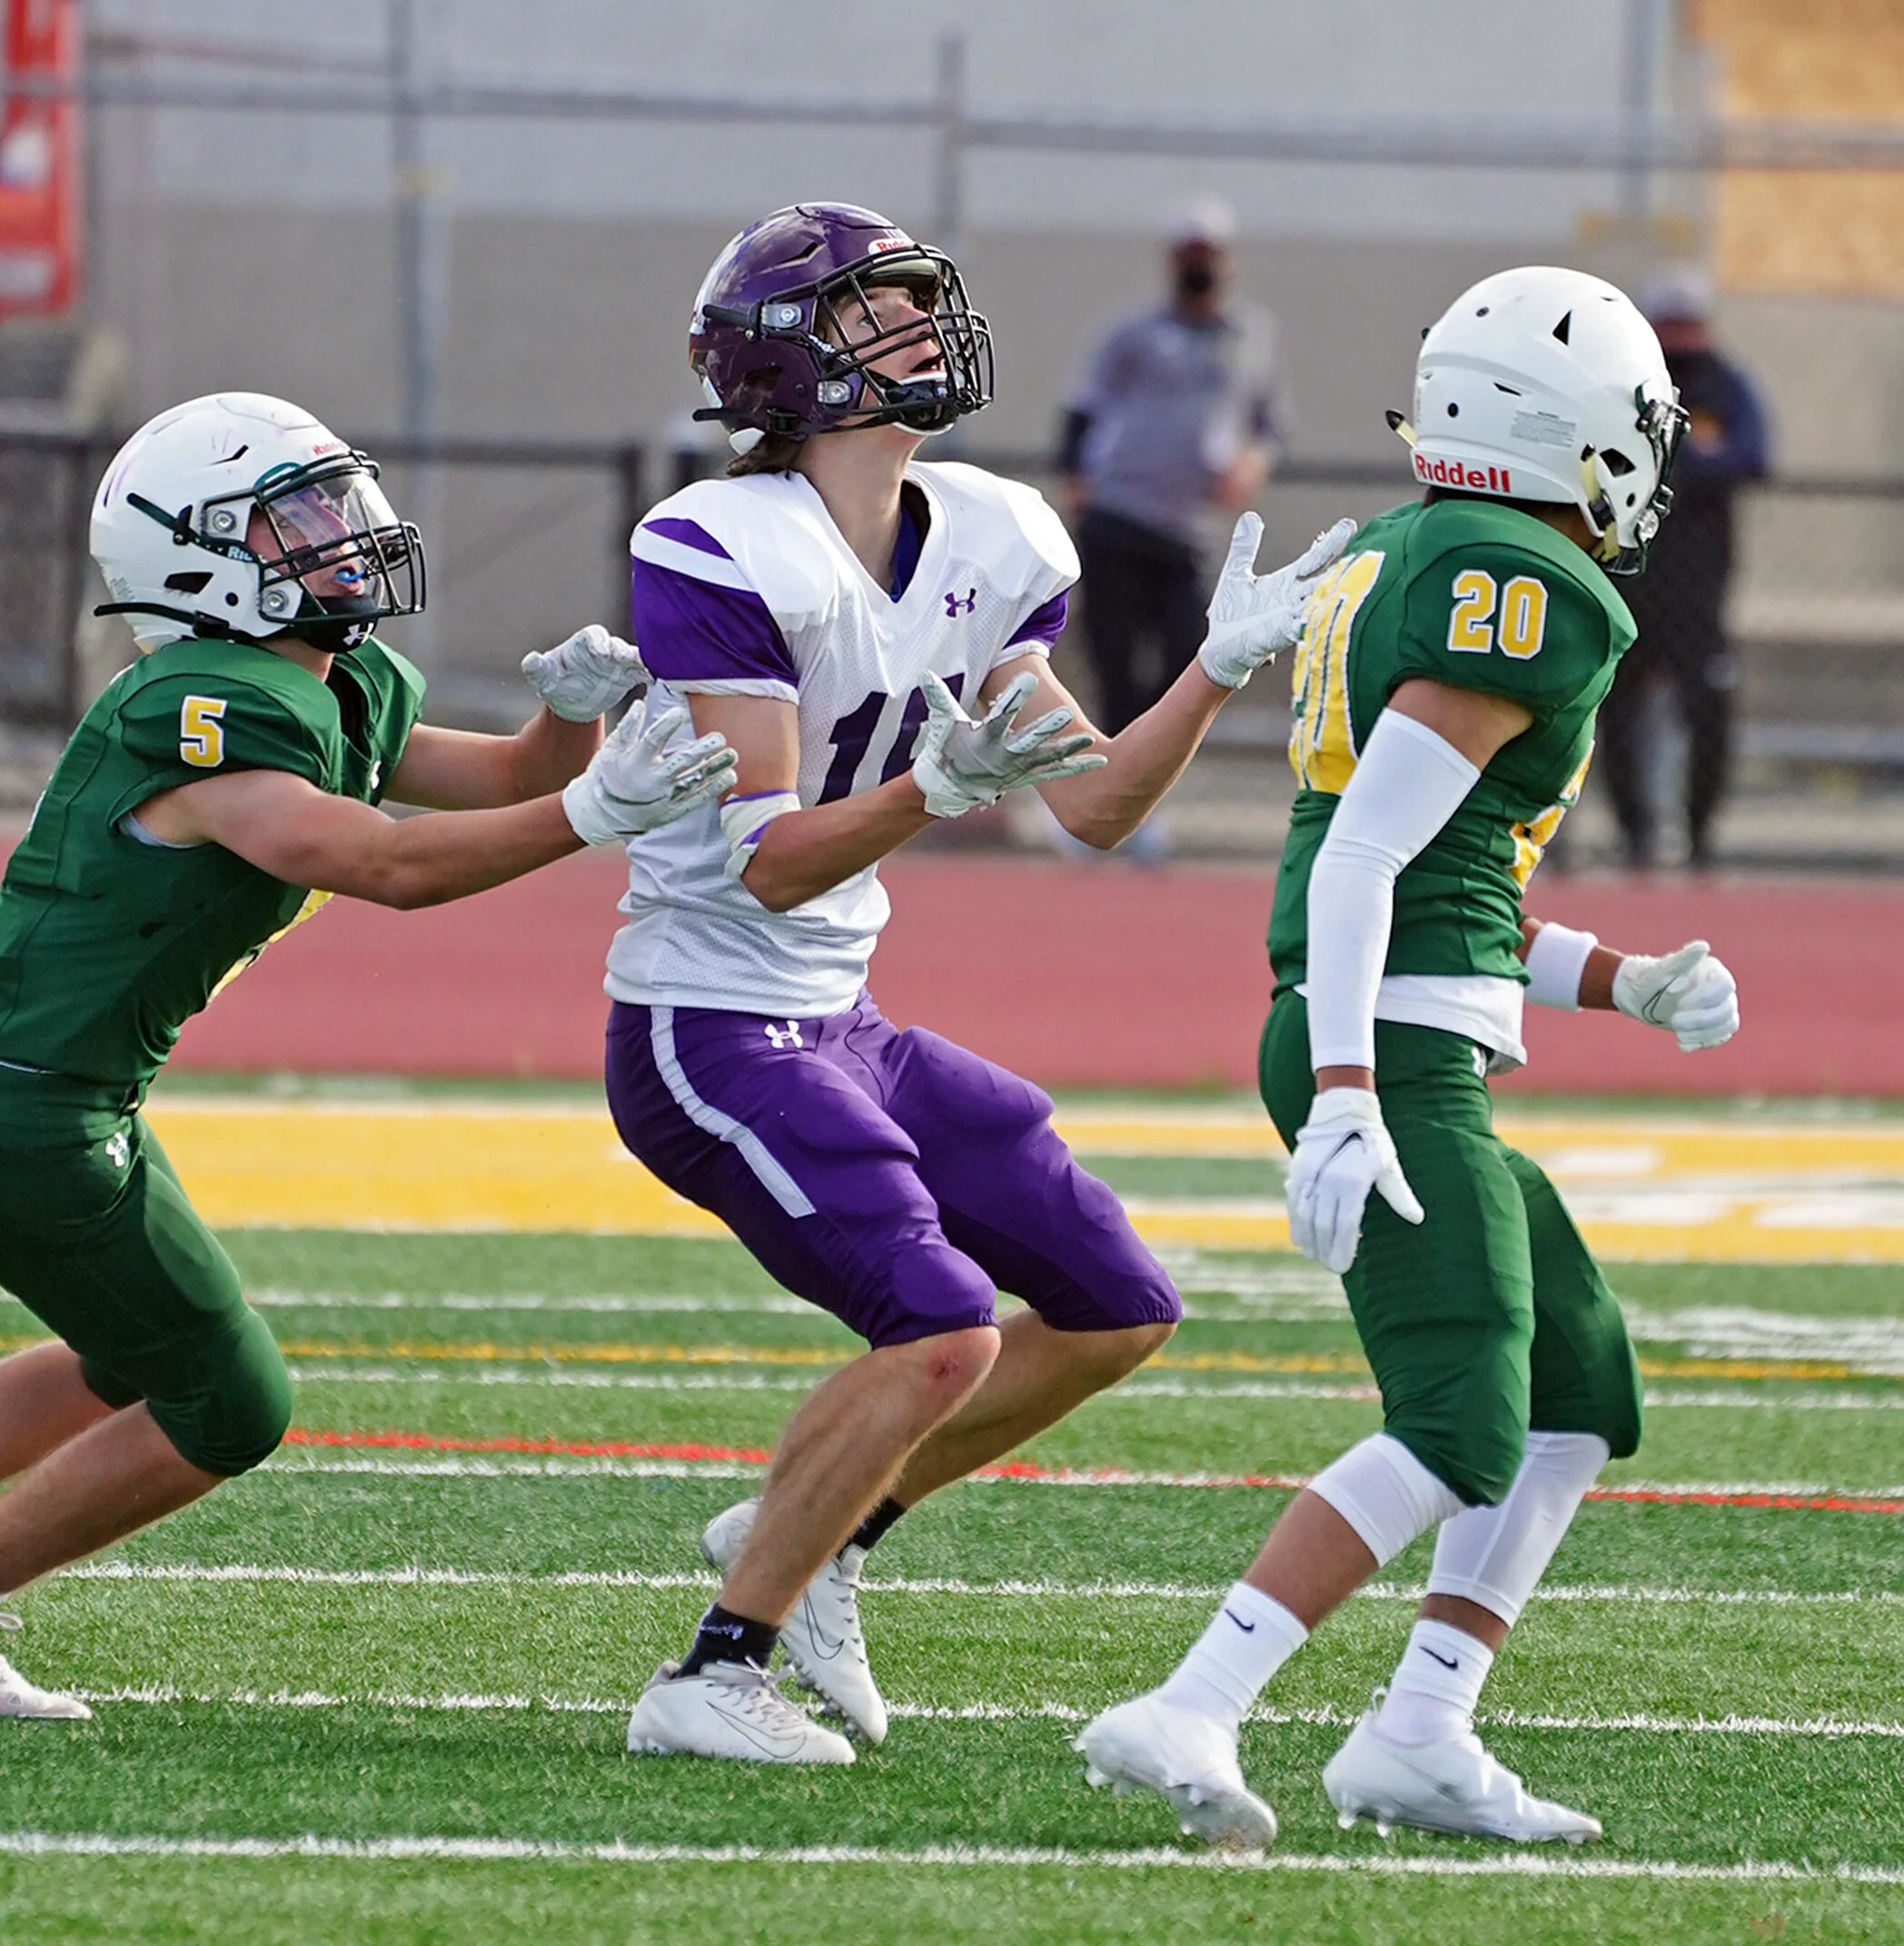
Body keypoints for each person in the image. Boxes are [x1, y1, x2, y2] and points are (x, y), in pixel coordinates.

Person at [605, 200, 1352, 1766]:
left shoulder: (990, 534)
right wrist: (934, 790)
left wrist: (1212, 673)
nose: (918, 328)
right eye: (875, 311)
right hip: (710, 1025)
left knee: (1115, 1303)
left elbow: (1082, 805)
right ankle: (708, 1673)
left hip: (843, 1020)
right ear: (790, 359)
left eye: (914, 302)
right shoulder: (720, 544)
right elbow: (765, 860)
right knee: (940, 1326)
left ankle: (820, 1531)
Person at [0, 391, 733, 1721]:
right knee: (231, 1403)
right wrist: (594, 812)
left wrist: (569, 732)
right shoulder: (201, 707)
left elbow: (501, 777)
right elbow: (377, 861)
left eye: (336, 503)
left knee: (134, 1358)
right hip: (19, 1111)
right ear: (197, 557)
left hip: (41, 1092)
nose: (341, 537)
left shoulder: (332, 679)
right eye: (295, 518)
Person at [1077, 267, 1741, 1849]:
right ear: (1562, 431)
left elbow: (1450, 879)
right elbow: (1365, 860)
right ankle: (1191, 1705)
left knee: (1577, 1385)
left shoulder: (1404, 546)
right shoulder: (1526, 582)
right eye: (1631, 427)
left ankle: (1422, 1728)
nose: (1645, 457)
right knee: (1457, 1422)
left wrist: (1623, 982)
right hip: (1386, 1042)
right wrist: (1356, 1096)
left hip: (1398, 1015)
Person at [1059, 198, 1288, 737]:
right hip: (1120, 513)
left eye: (1208, 253)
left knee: (1189, 652)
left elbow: (1268, 422)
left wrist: (1251, 466)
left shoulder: (1249, 338)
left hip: (1189, 528)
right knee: (1113, 661)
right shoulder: (1133, 334)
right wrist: (1079, 486)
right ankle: (1108, 797)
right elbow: (1081, 408)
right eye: (1190, 253)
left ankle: (1137, 770)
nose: (1199, 264)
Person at [1597, 267, 1770, 869]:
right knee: (1613, 709)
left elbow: (1752, 456)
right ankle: (1636, 836)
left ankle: (1699, 835)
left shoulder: (1727, 383)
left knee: (1711, 707)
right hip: (1626, 583)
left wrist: (1674, 458)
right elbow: (1608, 461)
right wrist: (1692, 457)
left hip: (1700, 592)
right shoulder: (1624, 383)